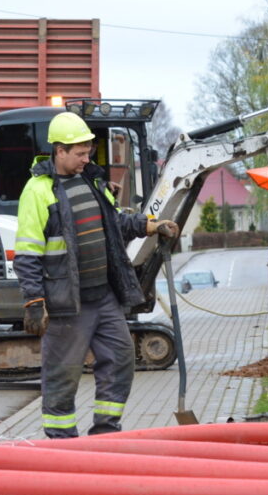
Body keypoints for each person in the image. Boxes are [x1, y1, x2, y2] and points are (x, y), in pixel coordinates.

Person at [13, 111, 178, 438]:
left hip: (104, 298)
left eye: (88, 151)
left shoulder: (91, 180)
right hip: (67, 304)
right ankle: (62, 445)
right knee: (62, 376)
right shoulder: (38, 191)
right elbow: (28, 254)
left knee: (120, 361)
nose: (86, 157)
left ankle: (105, 433)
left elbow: (114, 222)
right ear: (59, 151)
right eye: (80, 153)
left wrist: (149, 225)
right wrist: (34, 300)